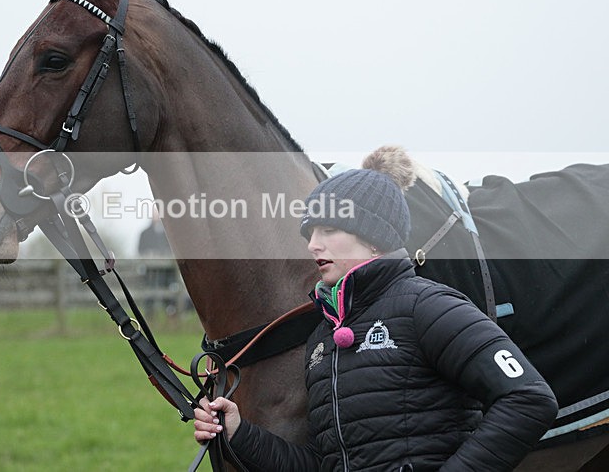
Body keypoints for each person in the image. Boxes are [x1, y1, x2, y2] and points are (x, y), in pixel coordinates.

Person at [193, 152, 558, 471]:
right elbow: (325, 466)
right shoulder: (322, 341)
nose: (313, 244)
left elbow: (529, 398)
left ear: (373, 237)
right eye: (310, 233)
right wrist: (239, 432)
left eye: (329, 229)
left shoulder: (429, 307)